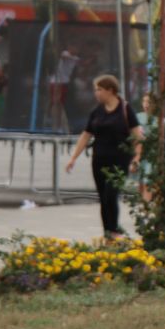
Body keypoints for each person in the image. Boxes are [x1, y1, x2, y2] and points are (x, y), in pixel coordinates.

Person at [66, 75, 143, 237]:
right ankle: (107, 232)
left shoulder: (125, 109)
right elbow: (86, 135)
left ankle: (114, 229)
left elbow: (137, 135)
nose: (96, 93)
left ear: (110, 91)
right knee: (103, 197)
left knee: (111, 194)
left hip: (119, 160)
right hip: (99, 160)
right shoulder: (97, 112)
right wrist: (73, 158)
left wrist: (137, 158)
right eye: (96, 90)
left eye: (99, 90)